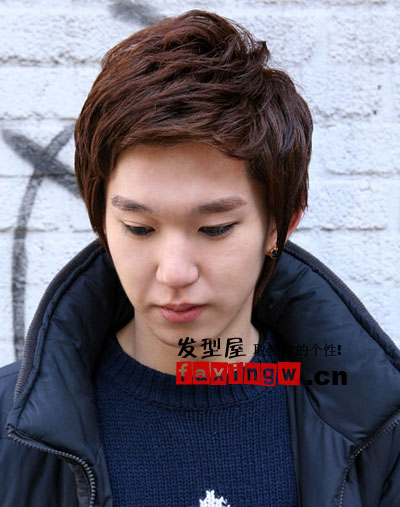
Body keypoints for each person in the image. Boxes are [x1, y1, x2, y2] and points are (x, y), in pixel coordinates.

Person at [1, 9, 399, 507]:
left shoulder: (380, 428)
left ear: (280, 225)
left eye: (214, 229)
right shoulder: (10, 426)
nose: (174, 272)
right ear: (100, 219)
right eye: (139, 228)